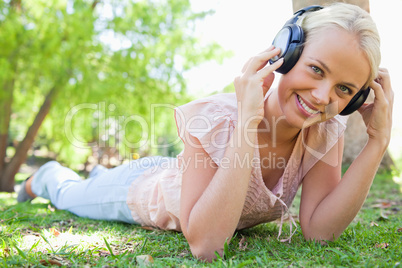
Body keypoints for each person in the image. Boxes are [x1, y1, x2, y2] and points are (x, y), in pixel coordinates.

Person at [17, 3, 393, 262]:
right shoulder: (213, 117)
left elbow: (318, 232)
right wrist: (247, 122)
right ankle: (50, 176)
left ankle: (96, 174)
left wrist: (377, 142)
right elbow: (207, 246)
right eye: (316, 69)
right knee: (70, 195)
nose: (324, 96)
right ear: (285, 52)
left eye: (345, 89)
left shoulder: (325, 128)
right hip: (143, 193)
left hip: (181, 175)